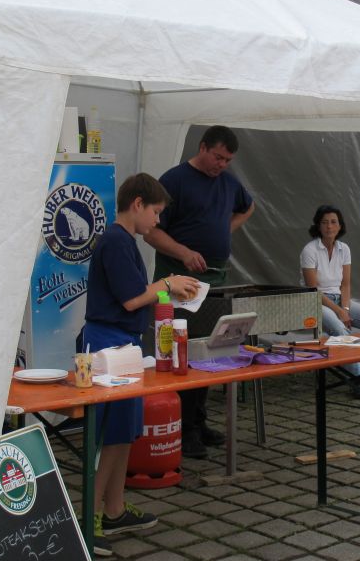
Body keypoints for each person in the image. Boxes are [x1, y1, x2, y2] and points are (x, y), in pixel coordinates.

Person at [83, 173, 199, 557]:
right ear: (137, 204)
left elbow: (138, 298)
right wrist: (168, 283)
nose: (157, 221)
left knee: (124, 432)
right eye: (156, 212)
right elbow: (132, 299)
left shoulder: (124, 241)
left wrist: (168, 288)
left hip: (124, 344)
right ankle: (89, 515)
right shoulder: (115, 241)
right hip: (107, 345)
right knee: (109, 433)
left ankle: (114, 509)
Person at [144, 125, 255, 459]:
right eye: (218, 157)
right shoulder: (174, 180)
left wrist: (225, 229)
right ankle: (181, 427)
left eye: (227, 160)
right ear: (203, 147)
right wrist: (183, 253)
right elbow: (151, 232)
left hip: (216, 280)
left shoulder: (230, 183)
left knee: (209, 351)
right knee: (183, 351)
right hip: (178, 280)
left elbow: (248, 207)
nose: (222, 164)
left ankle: (198, 420)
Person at [300, 204, 360, 399]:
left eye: (333, 222)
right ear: (318, 226)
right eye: (324, 222)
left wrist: (344, 308)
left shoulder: (344, 249)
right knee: (340, 330)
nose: (329, 226)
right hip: (316, 301)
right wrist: (339, 311)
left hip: (339, 300)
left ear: (340, 226)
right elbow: (313, 290)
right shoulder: (309, 250)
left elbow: (345, 284)